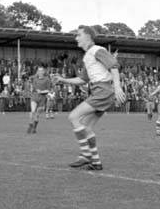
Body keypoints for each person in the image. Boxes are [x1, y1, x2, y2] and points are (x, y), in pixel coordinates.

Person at [52, 25, 125, 171]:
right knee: (86, 126)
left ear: (88, 36)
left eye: (79, 35)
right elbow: (82, 79)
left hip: (102, 91)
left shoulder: (97, 50)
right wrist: (63, 80)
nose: (76, 38)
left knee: (73, 117)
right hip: (100, 91)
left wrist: (118, 87)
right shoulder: (87, 56)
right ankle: (96, 162)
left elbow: (114, 66)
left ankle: (85, 155)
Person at [27, 67, 51, 134]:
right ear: (37, 72)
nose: (40, 72)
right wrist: (32, 89)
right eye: (38, 71)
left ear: (43, 72)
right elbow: (34, 88)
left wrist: (41, 91)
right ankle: (30, 125)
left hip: (42, 98)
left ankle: (34, 128)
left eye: (41, 71)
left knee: (37, 115)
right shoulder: (35, 79)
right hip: (34, 97)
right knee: (32, 112)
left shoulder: (47, 79)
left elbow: (48, 90)